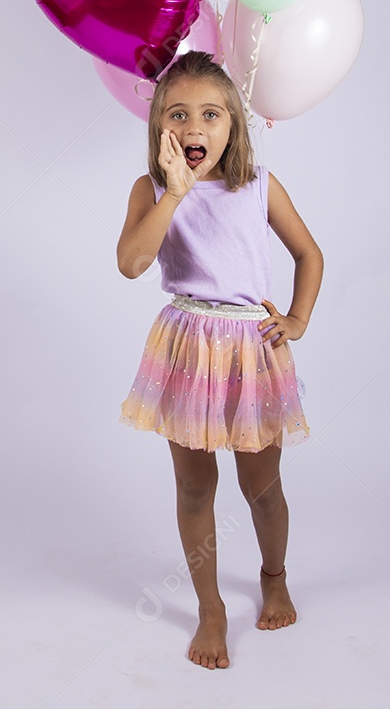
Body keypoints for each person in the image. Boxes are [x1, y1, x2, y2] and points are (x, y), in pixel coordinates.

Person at [116, 50, 323, 670]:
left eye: (211, 114)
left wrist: (297, 320)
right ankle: (210, 609)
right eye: (178, 115)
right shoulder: (150, 190)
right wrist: (174, 195)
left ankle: (274, 573)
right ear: (159, 128)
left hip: (250, 353)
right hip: (188, 350)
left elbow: (309, 255)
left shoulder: (258, 186)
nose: (195, 127)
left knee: (262, 487)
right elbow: (131, 263)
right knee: (193, 485)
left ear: (234, 123)